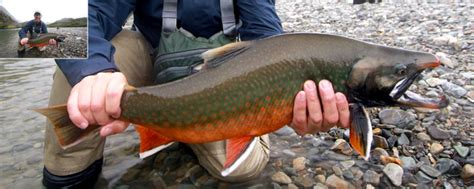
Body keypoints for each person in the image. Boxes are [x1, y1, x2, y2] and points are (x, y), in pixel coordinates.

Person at [44, 0, 350, 188]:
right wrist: (94, 74)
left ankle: (173, 131)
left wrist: (293, 103)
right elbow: (85, 15)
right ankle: (70, 176)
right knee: (83, 59)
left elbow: (272, 47)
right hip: (151, 71)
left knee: (241, 170)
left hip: (215, 85)